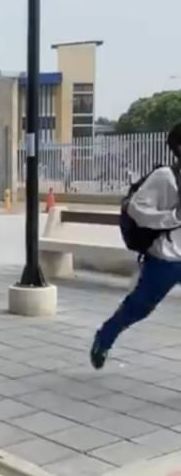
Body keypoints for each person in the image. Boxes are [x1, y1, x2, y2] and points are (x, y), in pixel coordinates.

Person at [92, 124, 181, 369]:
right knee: (139, 307)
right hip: (166, 258)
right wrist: (174, 217)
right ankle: (105, 337)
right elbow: (136, 210)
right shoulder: (165, 177)